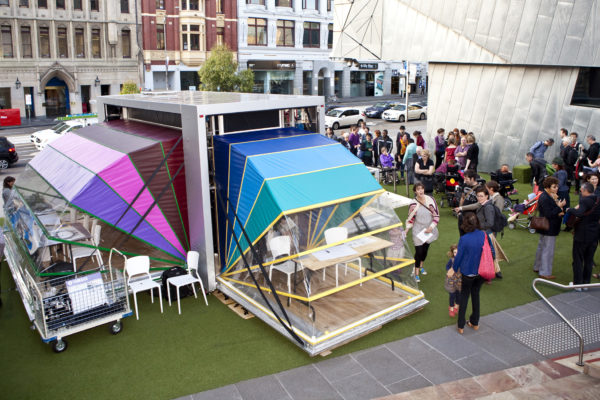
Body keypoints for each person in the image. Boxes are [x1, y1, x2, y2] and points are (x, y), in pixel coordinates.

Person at [451, 212, 494, 334]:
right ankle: (475, 322)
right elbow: (490, 250)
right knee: (476, 295)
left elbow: (459, 257)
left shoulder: (464, 239)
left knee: (464, 296)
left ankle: (461, 326)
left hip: (468, 272)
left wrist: (454, 269)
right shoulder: (484, 235)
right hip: (481, 272)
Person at [567, 182, 600, 287]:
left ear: (586, 190)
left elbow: (579, 213)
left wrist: (570, 209)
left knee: (578, 259)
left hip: (582, 235)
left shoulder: (585, 200)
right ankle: (586, 283)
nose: (580, 191)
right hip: (594, 235)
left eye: (581, 189)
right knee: (589, 260)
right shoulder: (598, 200)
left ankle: (578, 284)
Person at [405, 182, 439, 282]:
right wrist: (407, 229)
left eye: (422, 189)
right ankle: (416, 272)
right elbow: (410, 218)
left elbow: (436, 215)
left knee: (424, 251)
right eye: (418, 189)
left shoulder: (431, 200)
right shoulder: (413, 203)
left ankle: (421, 266)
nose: (420, 191)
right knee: (419, 252)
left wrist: (431, 227)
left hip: (429, 229)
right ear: (415, 191)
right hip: (417, 229)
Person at [533, 176, 565, 280]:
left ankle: (537, 266)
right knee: (548, 249)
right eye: (554, 187)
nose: (556, 189)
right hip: (549, 227)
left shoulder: (546, 195)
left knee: (542, 247)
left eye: (557, 187)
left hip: (545, 226)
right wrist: (559, 207)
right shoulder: (545, 197)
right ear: (548, 187)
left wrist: (556, 202)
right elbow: (549, 213)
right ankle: (545, 272)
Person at [445, 244, 460, 317]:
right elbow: (447, 266)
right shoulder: (452, 260)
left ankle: (456, 306)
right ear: (452, 253)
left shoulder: (462, 260)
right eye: (454, 252)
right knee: (452, 295)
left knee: (458, 294)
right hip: (451, 281)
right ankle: (451, 308)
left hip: (460, 281)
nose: (456, 254)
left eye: (458, 252)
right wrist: (449, 271)